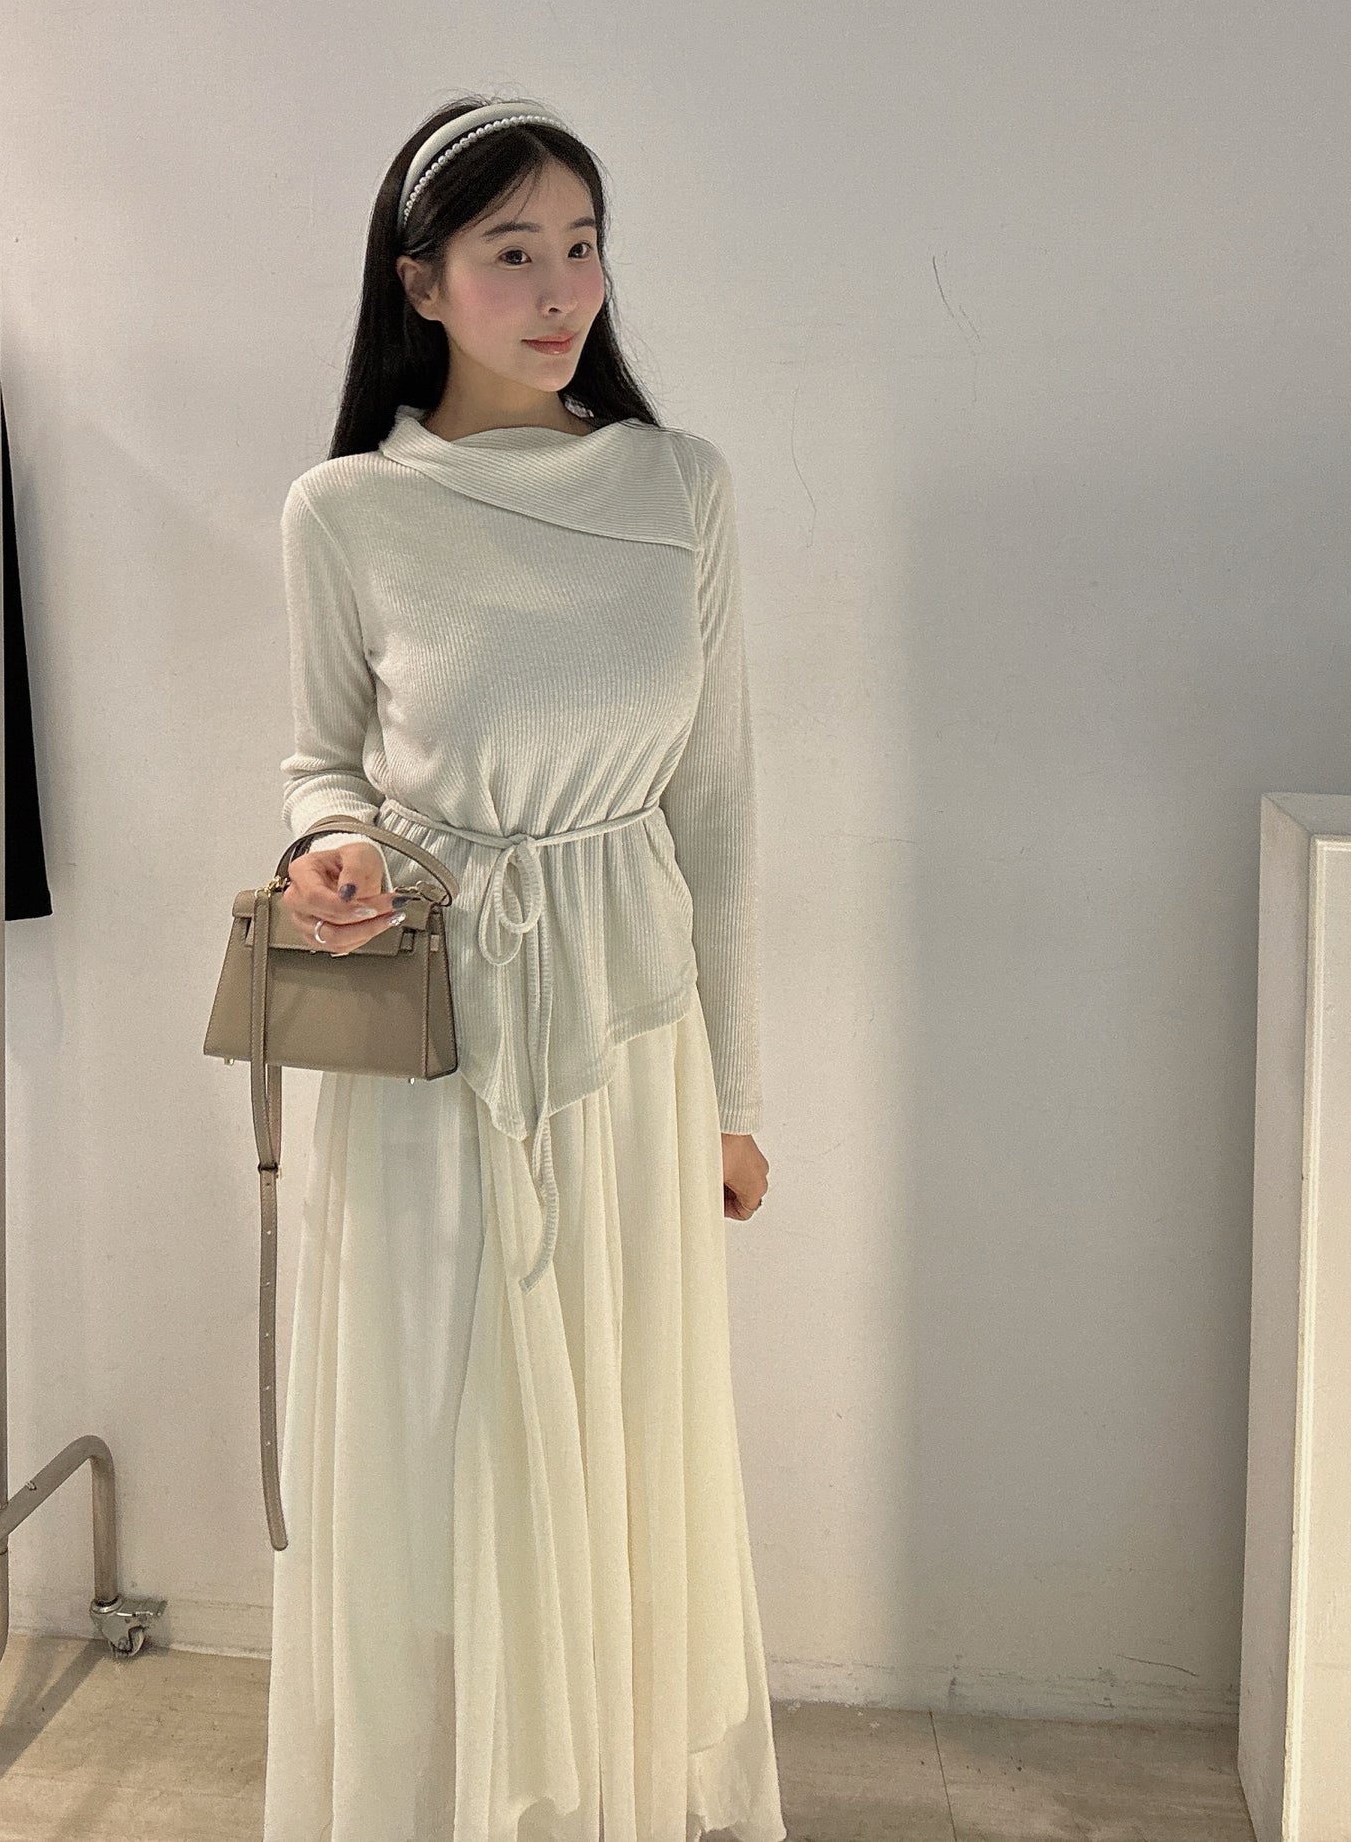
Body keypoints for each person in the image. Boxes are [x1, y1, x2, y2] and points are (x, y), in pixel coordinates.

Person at [260, 94, 787, 1842]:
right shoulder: (346, 509)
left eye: (581, 246)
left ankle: (596, 1797)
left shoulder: (678, 486)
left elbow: (717, 806)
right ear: (420, 283)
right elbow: (319, 763)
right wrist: (327, 849)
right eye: (511, 253)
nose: (560, 288)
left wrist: (735, 1096)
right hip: (432, 1037)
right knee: (432, 1435)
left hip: (629, 1029)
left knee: (619, 1426)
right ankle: (442, 1800)